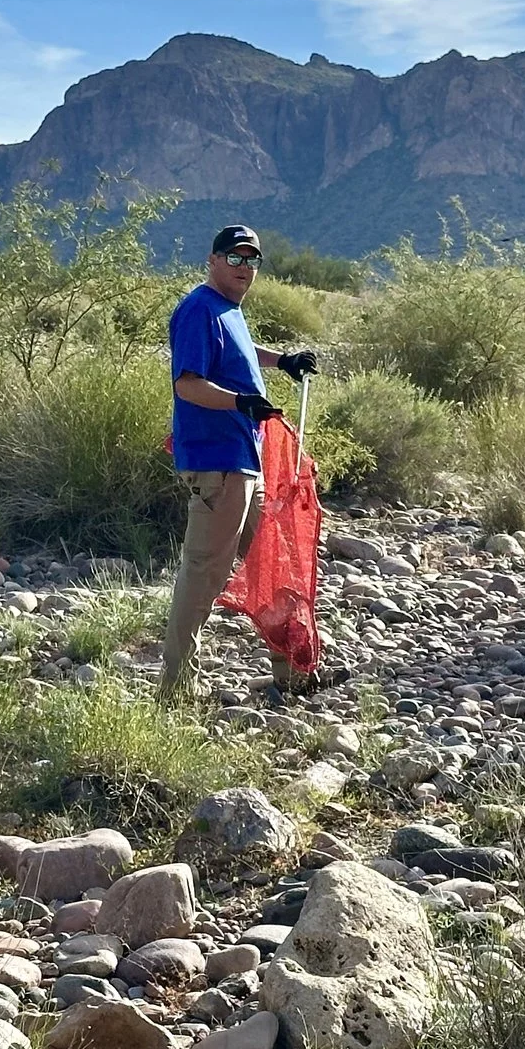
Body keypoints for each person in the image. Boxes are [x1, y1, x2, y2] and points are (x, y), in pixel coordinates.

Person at [158, 223, 326, 703]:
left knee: (271, 564)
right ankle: (175, 689)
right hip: (218, 463)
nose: (244, 267)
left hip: (243, 460)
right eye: (235, 257)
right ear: (213, 261)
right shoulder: (198, 308)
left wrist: (283, 360)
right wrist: (241, 402)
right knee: (204, 573)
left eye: (252, 260)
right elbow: (187, 384)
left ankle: (293, 674)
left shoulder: (228, 311)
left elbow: (239, 353)